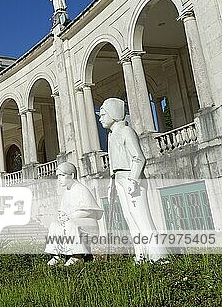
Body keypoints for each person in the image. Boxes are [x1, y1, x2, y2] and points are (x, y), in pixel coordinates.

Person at [98, 97, 168, 262]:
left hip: (131, 179)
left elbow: (139, 158)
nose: (100, 118)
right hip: (120, 179)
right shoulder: (111, 135)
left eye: (103, 114)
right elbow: (114, 165)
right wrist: (112, 184)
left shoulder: (126, 131)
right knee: (130, 218)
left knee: (142, 219)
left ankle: (159, 256)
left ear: (114, 114)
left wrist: (134, 179)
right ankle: (141, 255)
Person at [45, 162, 103, 266]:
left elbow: (88, 210)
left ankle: (77, 255)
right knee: (54, 225)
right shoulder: (67, 191)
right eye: (58, 176)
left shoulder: (81, 189)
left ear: (71, 175)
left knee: (71, 224)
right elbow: (62, 210)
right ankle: (58, 255)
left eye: (62, 175)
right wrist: (61, 216)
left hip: (88, 223)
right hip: (72, 221)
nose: (59, 179)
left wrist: (69, 218)